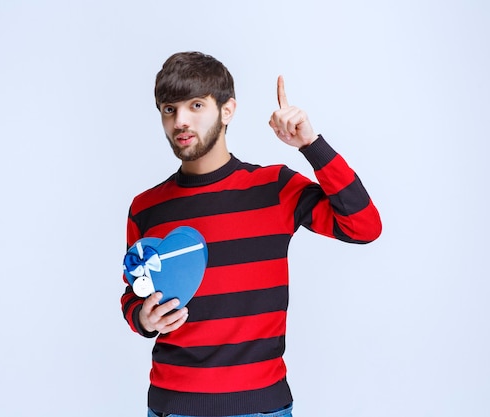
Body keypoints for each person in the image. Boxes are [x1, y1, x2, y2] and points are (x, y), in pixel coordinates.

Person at [121, 51, 382, 417]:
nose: (181, 120)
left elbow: (364, 227)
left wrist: (311, 145)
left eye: (196, 105)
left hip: (260, 407)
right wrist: (143, 319)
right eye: (169, 109)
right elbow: (133, 294)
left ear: (227, 110)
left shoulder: (273, 187)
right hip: (172, 406)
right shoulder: (146, 207)